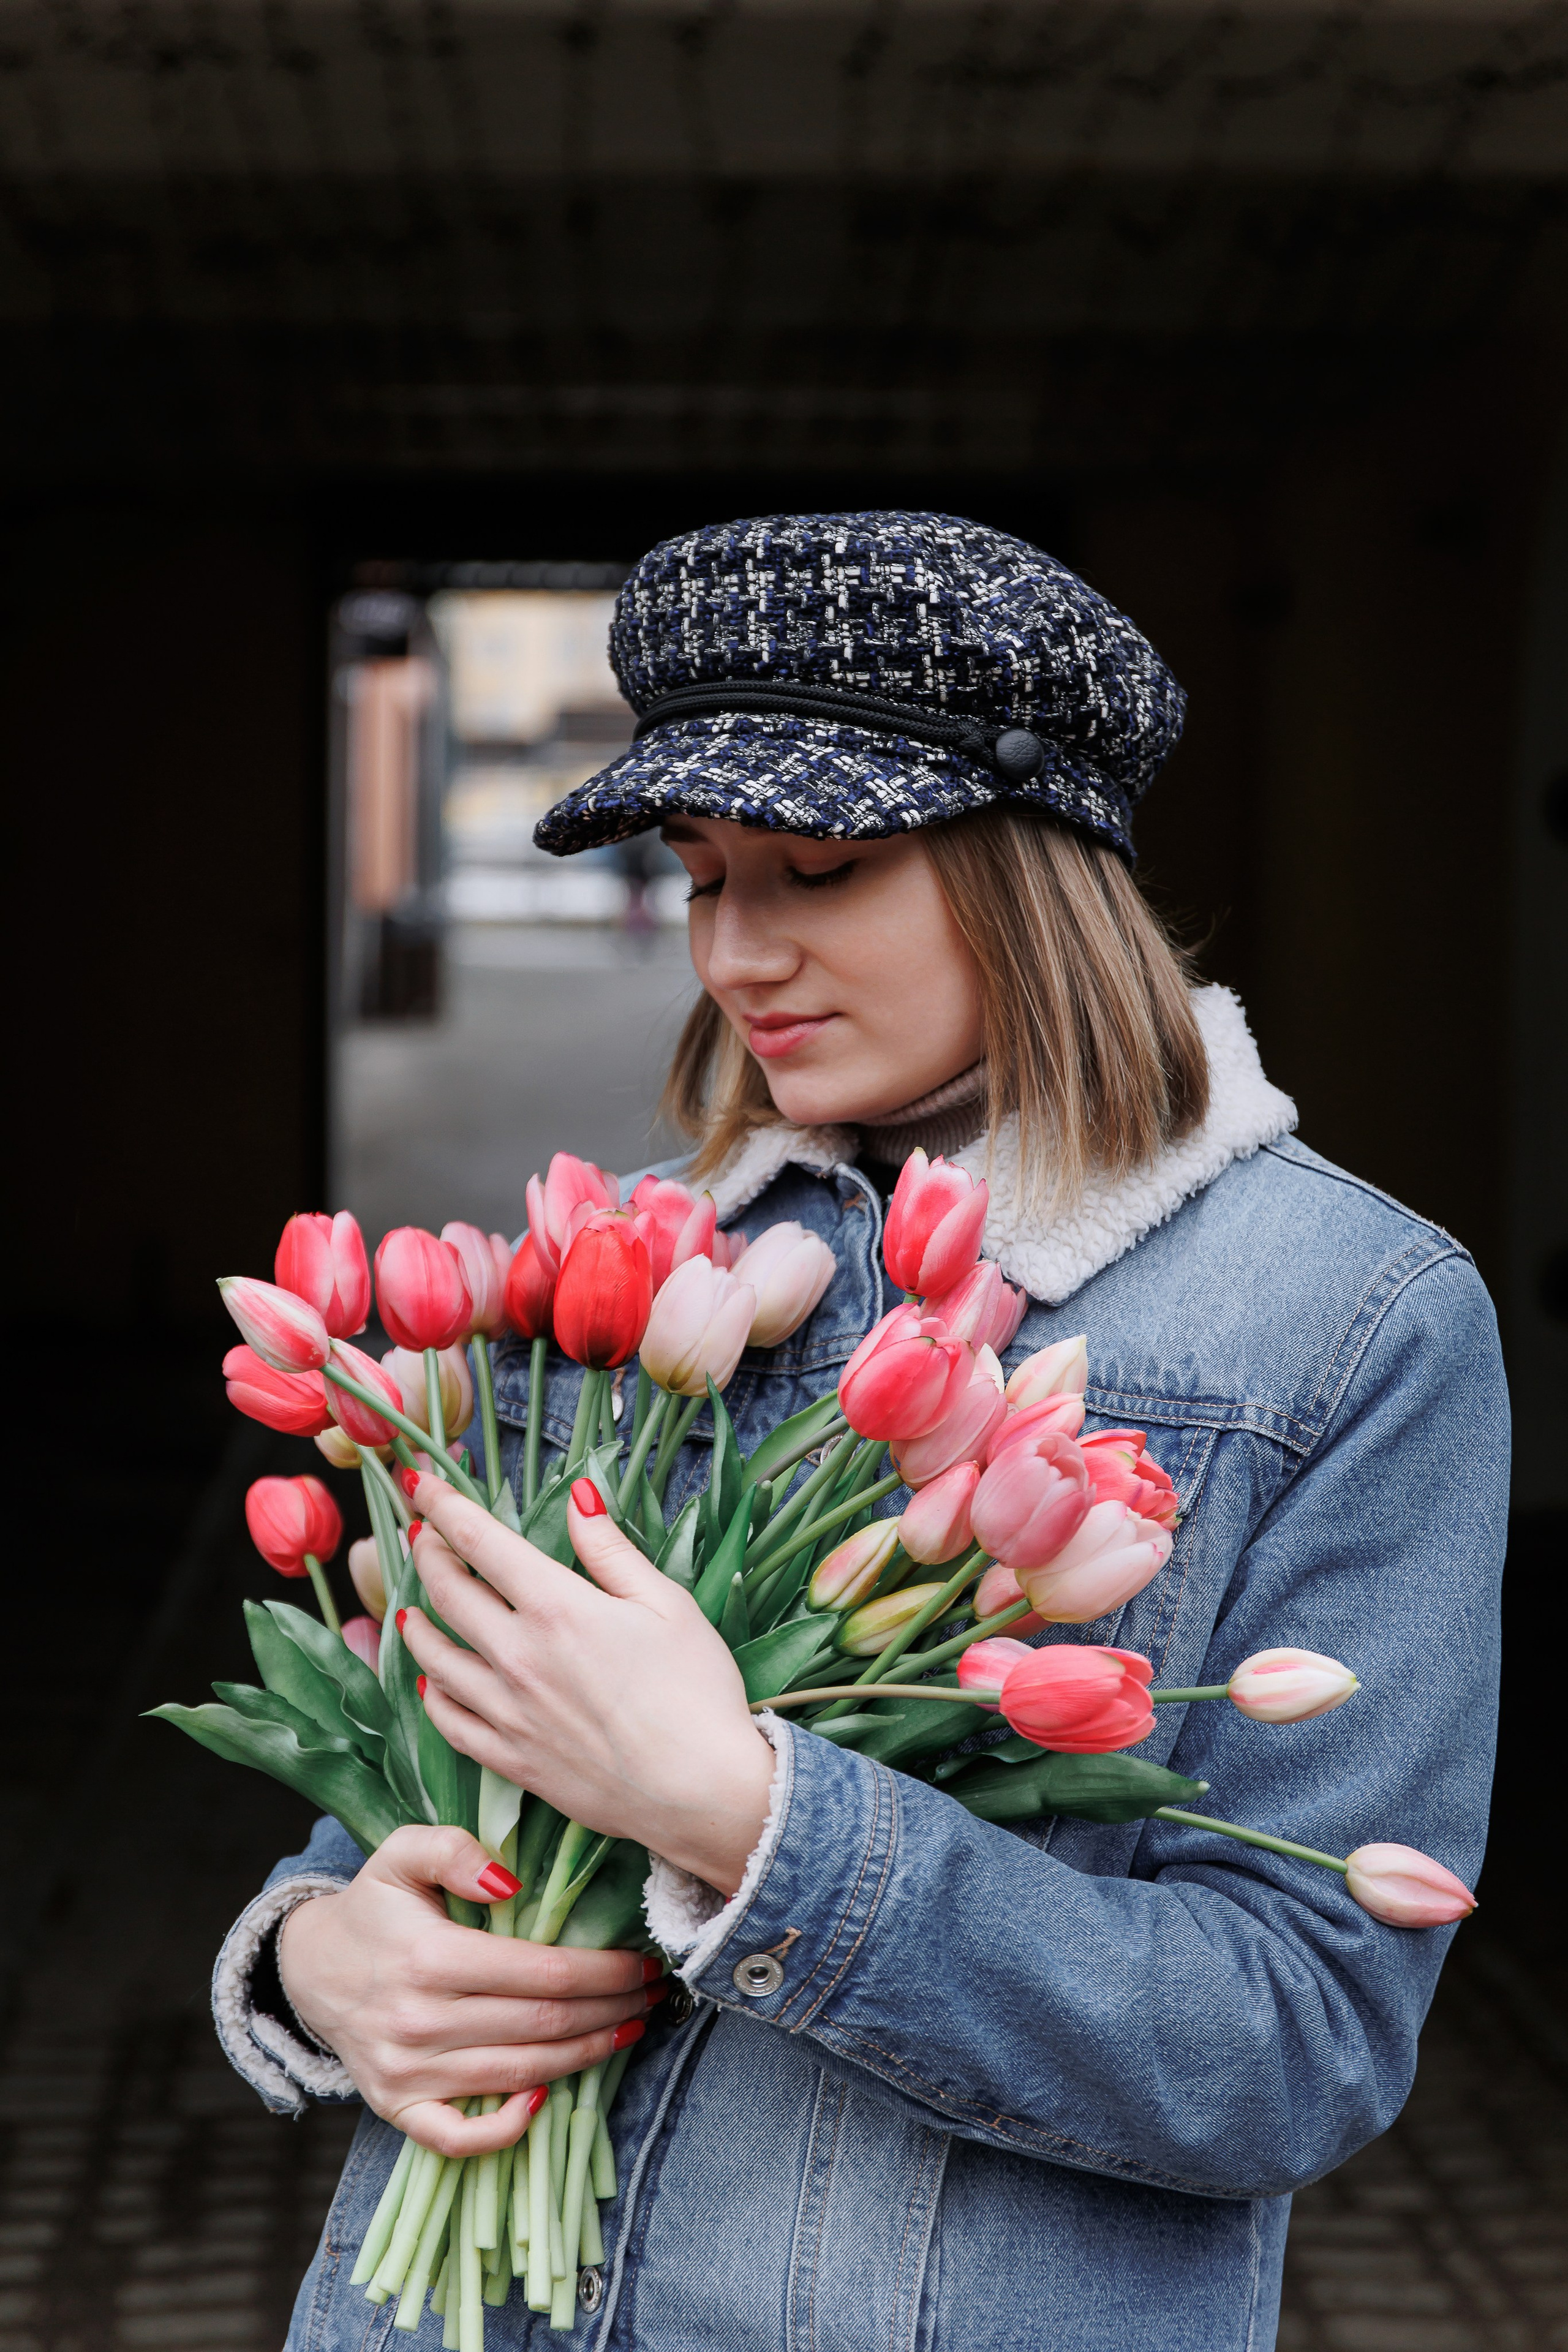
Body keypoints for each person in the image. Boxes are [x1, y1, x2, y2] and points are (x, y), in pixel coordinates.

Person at [214, 512, 1507, 2351]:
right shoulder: (630, 1266)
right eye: (699, 875)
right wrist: (320, 1956)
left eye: (816, 870)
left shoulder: (1345, 1322)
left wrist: (751, 1820)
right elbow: (420, 1795)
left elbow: (1293, 2042)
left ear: (1034, 874)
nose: (735, 953)